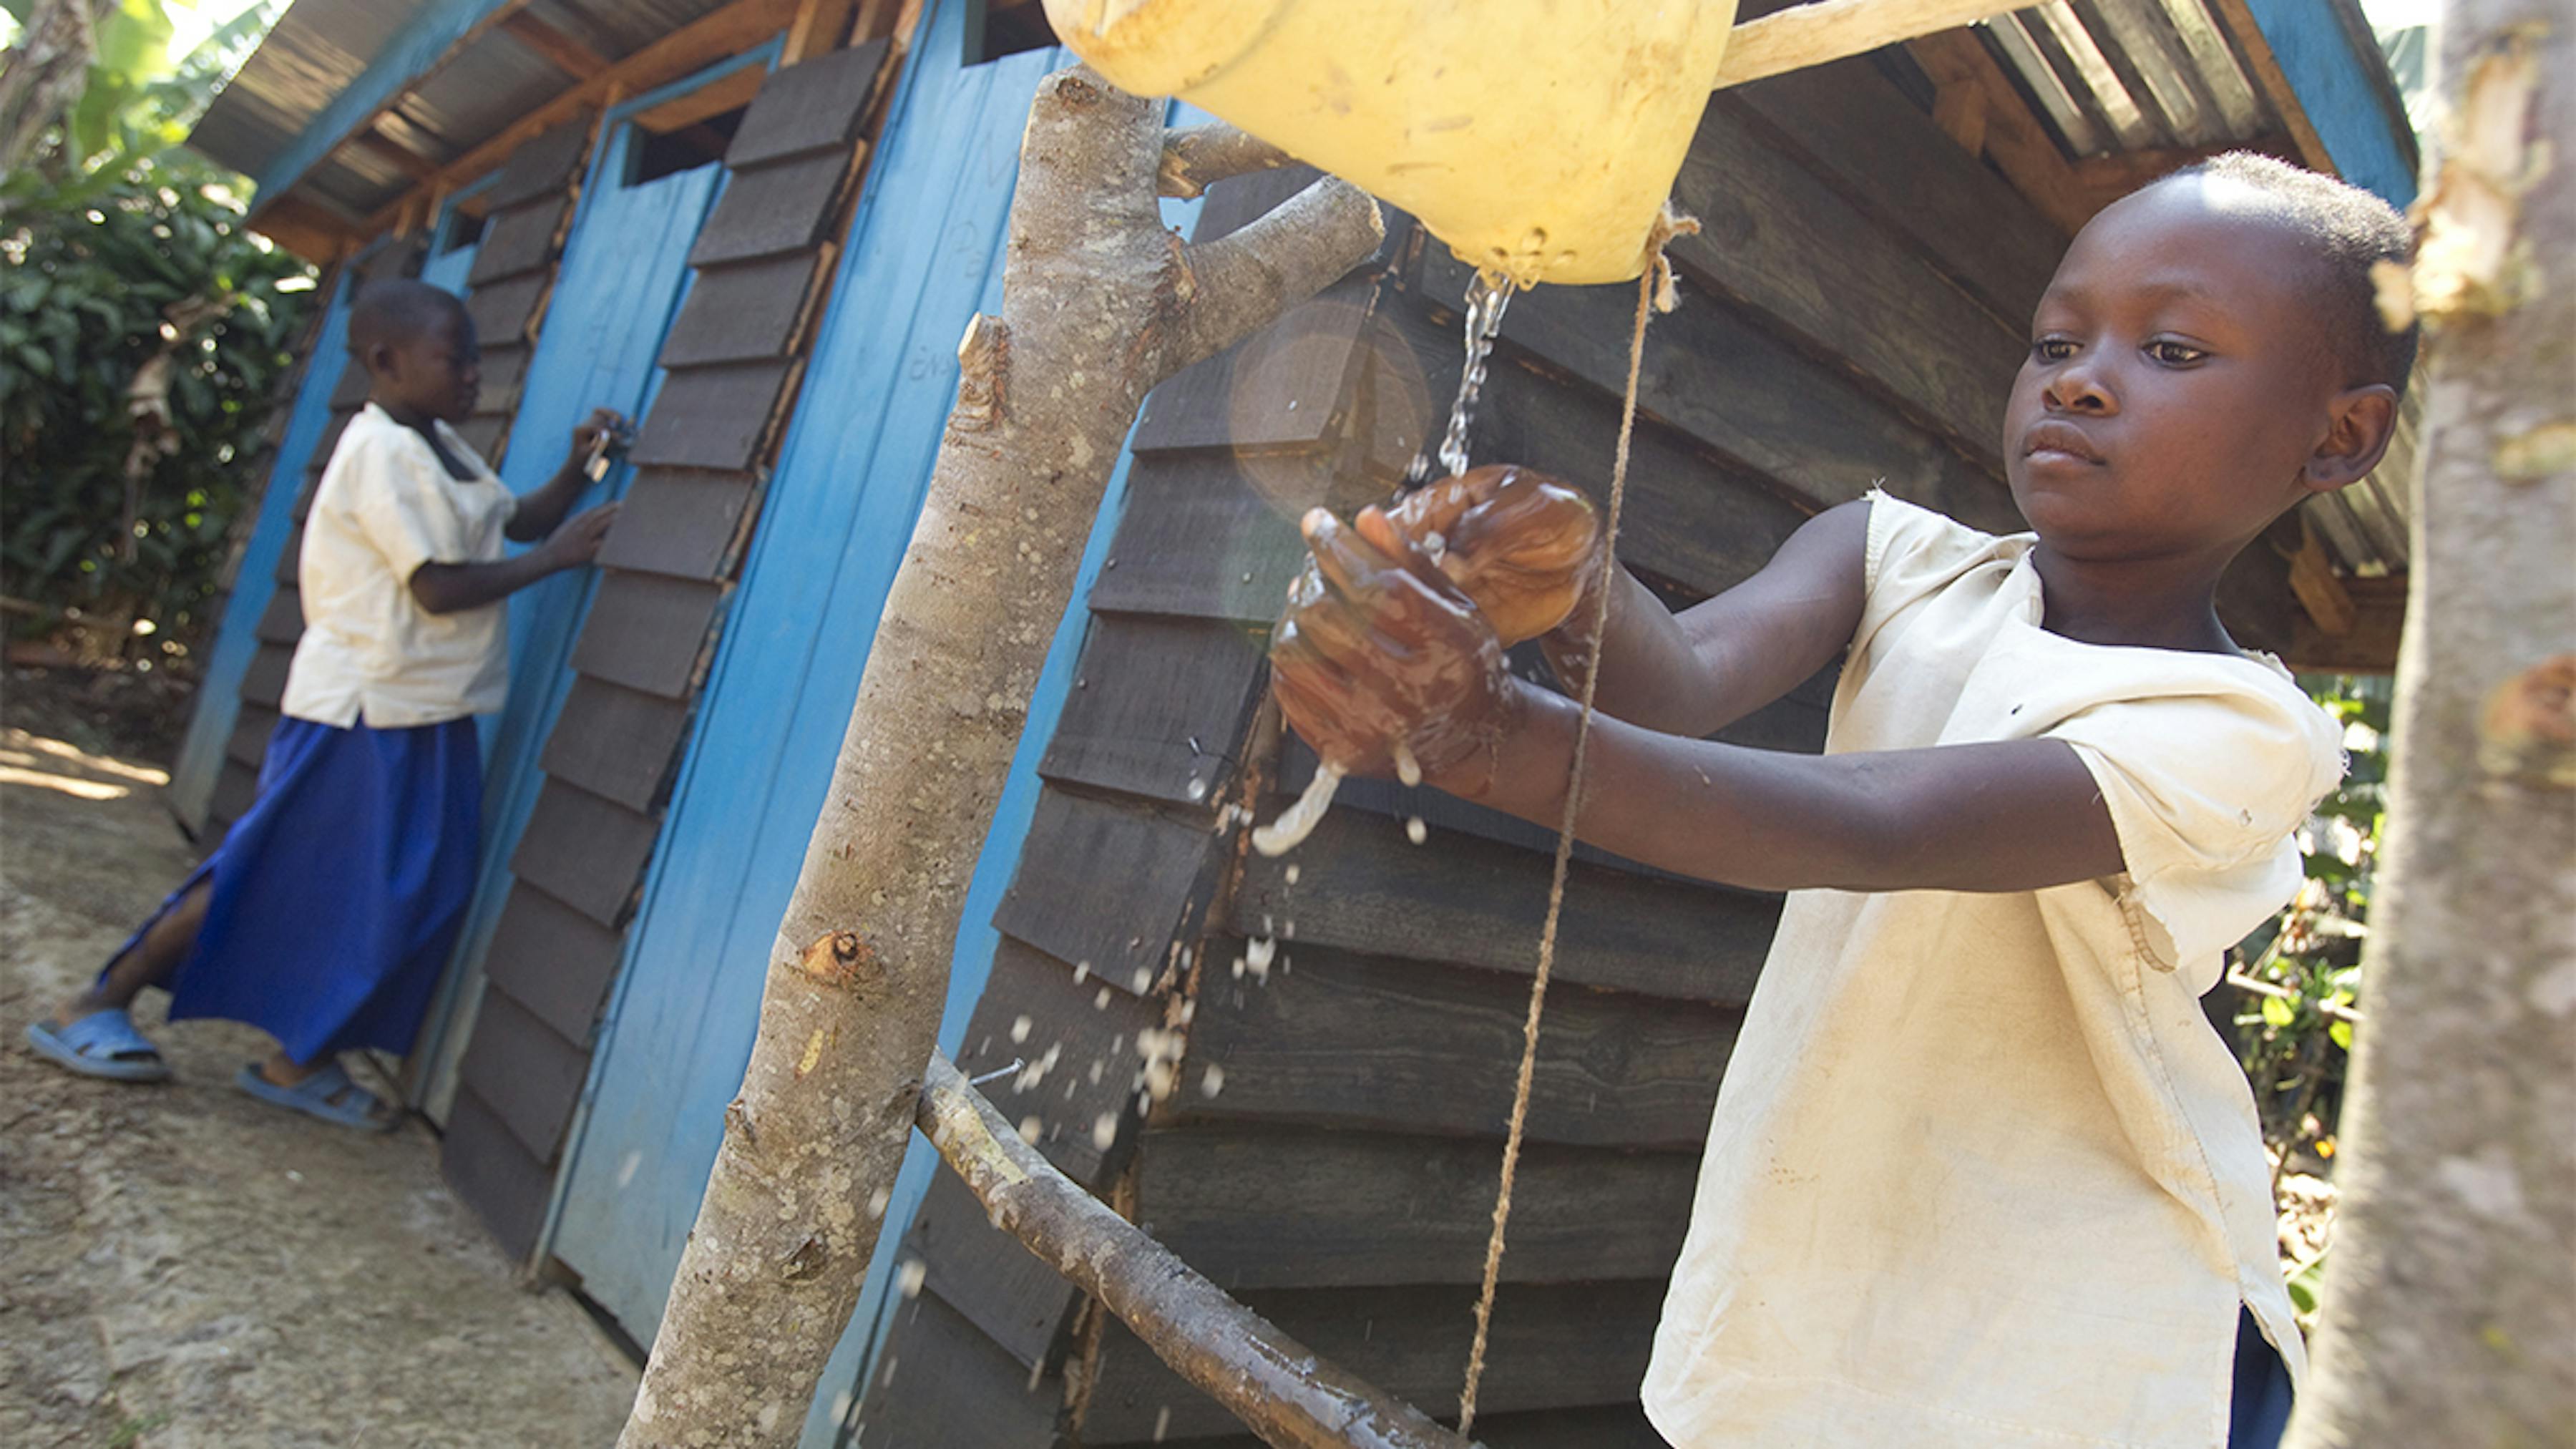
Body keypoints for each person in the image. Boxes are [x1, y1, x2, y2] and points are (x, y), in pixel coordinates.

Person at [1267, 153, 2414, 1448]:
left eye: (2170, 349)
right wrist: (1572, 574)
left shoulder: (2242, 733)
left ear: (2338, 437)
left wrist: (1478, 734)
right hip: (1828, 1254)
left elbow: (1881, 824)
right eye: (2055, 338)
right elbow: (1684, 688)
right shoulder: (1895, 558)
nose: (2079, 377)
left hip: (2084, 1325)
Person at [26, 279, 625, 1132]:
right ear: (385, 363)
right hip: (361, 709)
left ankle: (300, 1059)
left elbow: (512, 521)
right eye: (454, 359)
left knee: (417, 890)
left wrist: (578, 468)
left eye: (473, 359)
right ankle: (95, 1004)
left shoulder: (438, 443)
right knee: (268, 867)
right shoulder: (377, 452)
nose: (472, 375)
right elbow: (436, 585)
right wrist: (560, 559)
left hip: (426, 709)